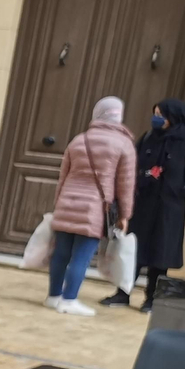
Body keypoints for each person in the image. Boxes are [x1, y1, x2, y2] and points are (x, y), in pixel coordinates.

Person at [104, 97, 185, 312]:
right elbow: (132, 162)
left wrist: (183, 190)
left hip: (169, 208)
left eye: (161, 115)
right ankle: (123, 293)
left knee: (160, 252)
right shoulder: (149, 138)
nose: (157, 118)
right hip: (143, 204)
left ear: (173, 117)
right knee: (133, 249)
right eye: (156, 114)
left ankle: (152, 298)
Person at [46, 96, 135, 317]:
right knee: (81, 257)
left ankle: (54, 296)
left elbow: (63, 177)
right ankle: (69, 300)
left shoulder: (79, 140)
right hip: (95, 209)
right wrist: (124, 214)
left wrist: (58, 204)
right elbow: (125, 184)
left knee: (61, 254)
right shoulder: (124, 145)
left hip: (68, 202)